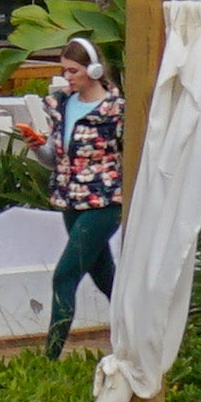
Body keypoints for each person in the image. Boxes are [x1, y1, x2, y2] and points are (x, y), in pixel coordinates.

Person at [29, 38, 126, 356]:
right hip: (70, 201)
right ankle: (139, 335)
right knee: (105, 276)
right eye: (64, 71)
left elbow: (133, 155)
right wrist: (35, 146)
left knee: (65, 275)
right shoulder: (62, 105)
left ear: (94, 70)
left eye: (74, 70)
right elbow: (55, 158)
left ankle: (50, 357)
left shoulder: (115, 111)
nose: (67, 77)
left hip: (104, 203)